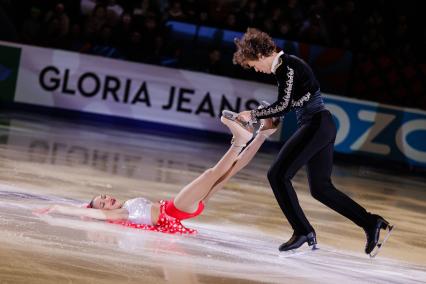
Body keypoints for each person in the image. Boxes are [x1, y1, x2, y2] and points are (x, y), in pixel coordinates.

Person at [233, 28, 393, 257]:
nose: (256, 70)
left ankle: (302, 231)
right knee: (321, 188)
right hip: (320, 125)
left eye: (252, 64)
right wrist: (270, 115)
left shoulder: (286, 65)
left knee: (277, 174)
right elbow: (289, 103)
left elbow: (284, 104)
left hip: (316, 125)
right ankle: (370, 222)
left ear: (259, 55)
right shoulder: (285, 68)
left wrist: (253, 114)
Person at [34, 115, 278, 234]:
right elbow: (89, 213)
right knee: (211, 173)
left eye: (104, 196)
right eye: (103, 202)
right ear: (104, 211)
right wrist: (58, 208)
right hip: (175, 209)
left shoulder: (125, 207)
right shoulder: (119, 215)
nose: (107, 198)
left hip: (181, 209)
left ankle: (263, 134)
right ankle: (239, 141)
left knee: (231, 171)